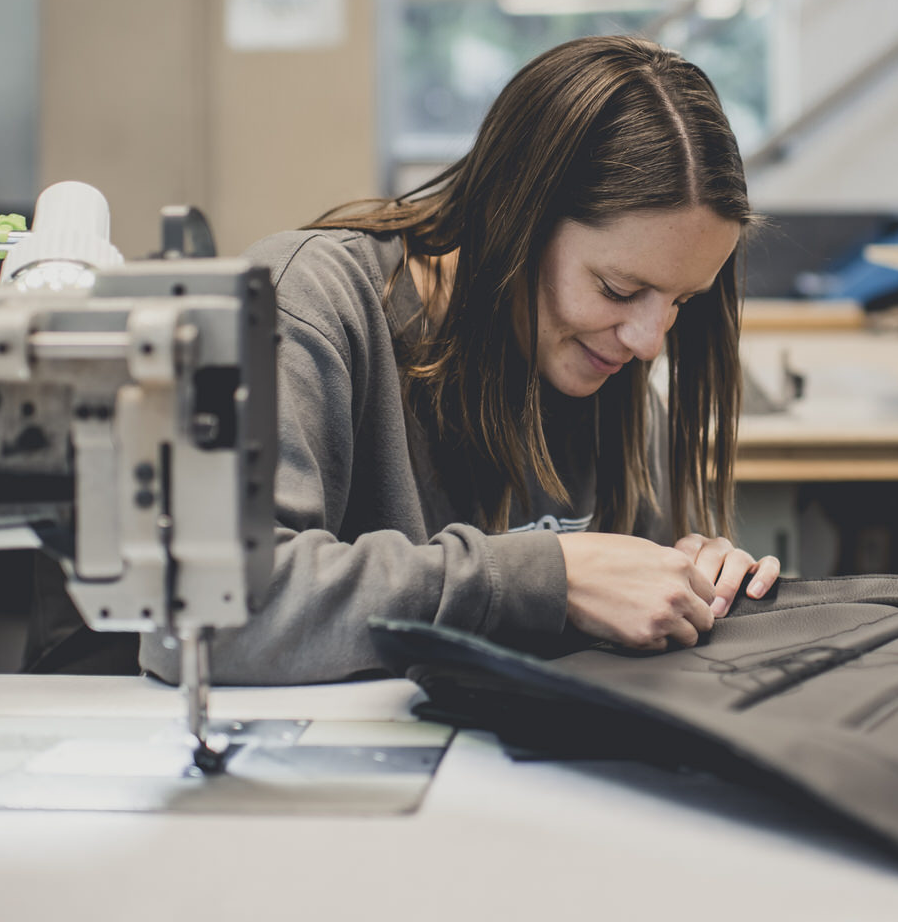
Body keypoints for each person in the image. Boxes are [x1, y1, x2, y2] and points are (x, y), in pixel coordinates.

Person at [141, 34, 779, 685]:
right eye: (618, 289)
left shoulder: (605, 363)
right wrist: (545, 578)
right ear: (514, 215)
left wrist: (697, 584)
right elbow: (201, 621)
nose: (649, 342)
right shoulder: (309, 301)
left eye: (681, 302)